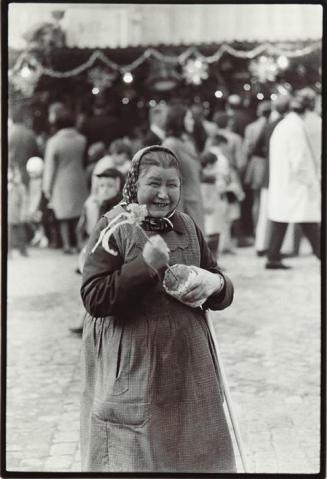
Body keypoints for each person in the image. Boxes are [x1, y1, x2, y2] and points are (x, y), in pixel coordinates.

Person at [80, 145, 236, 473]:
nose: (163, 194)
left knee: (194, 451)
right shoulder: (115, 227)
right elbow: (94, 298)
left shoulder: (188, 226)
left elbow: (220, 285)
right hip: (134, 369)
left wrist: (214, 284)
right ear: (135, 184)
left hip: (188, 368)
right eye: (154, 183)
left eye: (172, 185)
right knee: (137, 455)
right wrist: (143, 265)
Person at [266, 97, 321, 269]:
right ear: (306, 110)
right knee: (308, 220)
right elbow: (299, 161)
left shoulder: (284, 126)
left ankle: (273, 257)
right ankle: (321, 254)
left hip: (285, 183)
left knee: (282, 220)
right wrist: (310, 182)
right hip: (295, 185)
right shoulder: (295, 129)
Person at [43, 109, 88, 254]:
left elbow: (50, 166)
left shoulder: (54, 142)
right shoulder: (81, 140)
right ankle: (79, 242)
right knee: (77, 214)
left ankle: (67, 244)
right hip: (78, 178)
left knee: (62, 215)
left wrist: (47, 187)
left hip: (60, 180)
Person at [254, 94, 291, 256]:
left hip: (268, 174)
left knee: (265, 212)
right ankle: (281, 247)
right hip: (283, 176)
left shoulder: (269, 126)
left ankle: (262, 245)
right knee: (283, 211)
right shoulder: (289, 126)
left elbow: (256, 149)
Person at [163, 104, 204, 232]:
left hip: (194, 201)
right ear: (180, 120)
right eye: (189, 118)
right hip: (183, 206)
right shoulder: (171, 144)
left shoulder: (187, 142)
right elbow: (170, 180)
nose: (192, 122)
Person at [243, 100, 272, 229]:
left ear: (259, 112)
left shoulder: (251, 128)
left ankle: (257, 230)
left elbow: (247, 149)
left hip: (256, 164)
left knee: (257, 200)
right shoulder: (273, 126)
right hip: (269, 163)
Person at [199, 150, 228, 259]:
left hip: (204, 208)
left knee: (206, 234)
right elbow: (221, 188)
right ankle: (213, 260)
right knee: (214, 234)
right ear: (211, 164)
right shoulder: (213, 177)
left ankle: (209, 260)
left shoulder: (200, 175)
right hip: (213, 207)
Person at [8, 105, 39, 187]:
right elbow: (36, 153)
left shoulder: (7, 133)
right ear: (23, 118)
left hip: (11, 172)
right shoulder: (29, 133)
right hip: (27, 172)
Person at [26, 156, 48, 248]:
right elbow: (30, 193)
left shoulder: (40, 181)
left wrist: (36, 207)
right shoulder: (32, 181)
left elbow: (38, 196)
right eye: (30, 173)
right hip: (32, 204)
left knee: (40, 222)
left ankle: (43, 237)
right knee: (31, 220)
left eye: (33, 173)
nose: (31, 175)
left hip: (37, 205)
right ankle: (37, 234)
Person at [8, 165, 28, 257]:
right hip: (8, 215)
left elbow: (24, 201)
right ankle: (8, 252)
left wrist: (23, 213)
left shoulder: (20, 187)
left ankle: (23, 250)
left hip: (18, 213)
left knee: (21, 233)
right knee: (8, 234)